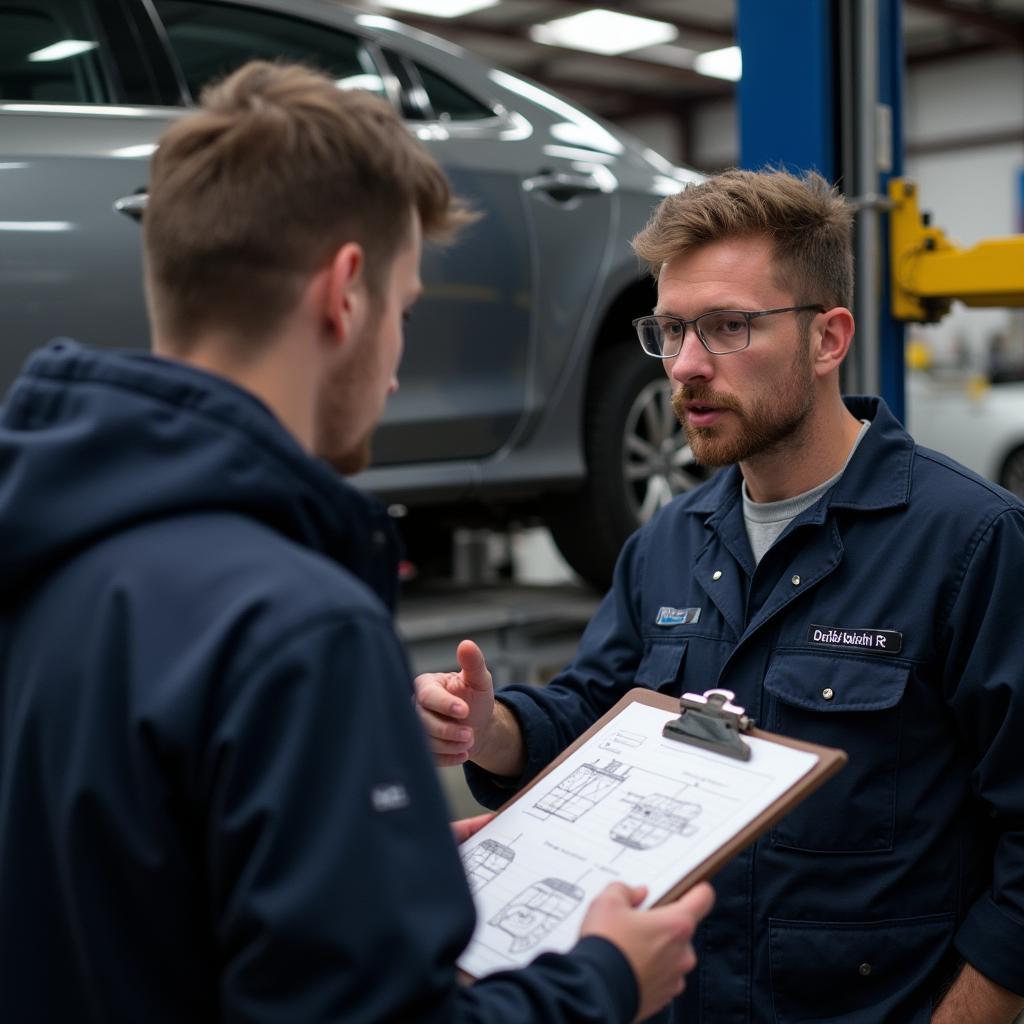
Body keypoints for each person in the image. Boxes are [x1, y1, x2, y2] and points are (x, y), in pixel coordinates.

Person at [0, 61, 714, 1023]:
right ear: (345, 292)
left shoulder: (48, 549)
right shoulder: (294, 625)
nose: (395, 368)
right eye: (406, 310)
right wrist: (604, 979)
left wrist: (374, 879)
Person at [416, 169, 1024, 1023]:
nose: (687, 367)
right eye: (669, 331)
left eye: (728, 327)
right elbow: (598, 718)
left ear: (828, 338)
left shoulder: (973, 542)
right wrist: (495, 729)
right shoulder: (667, 542)